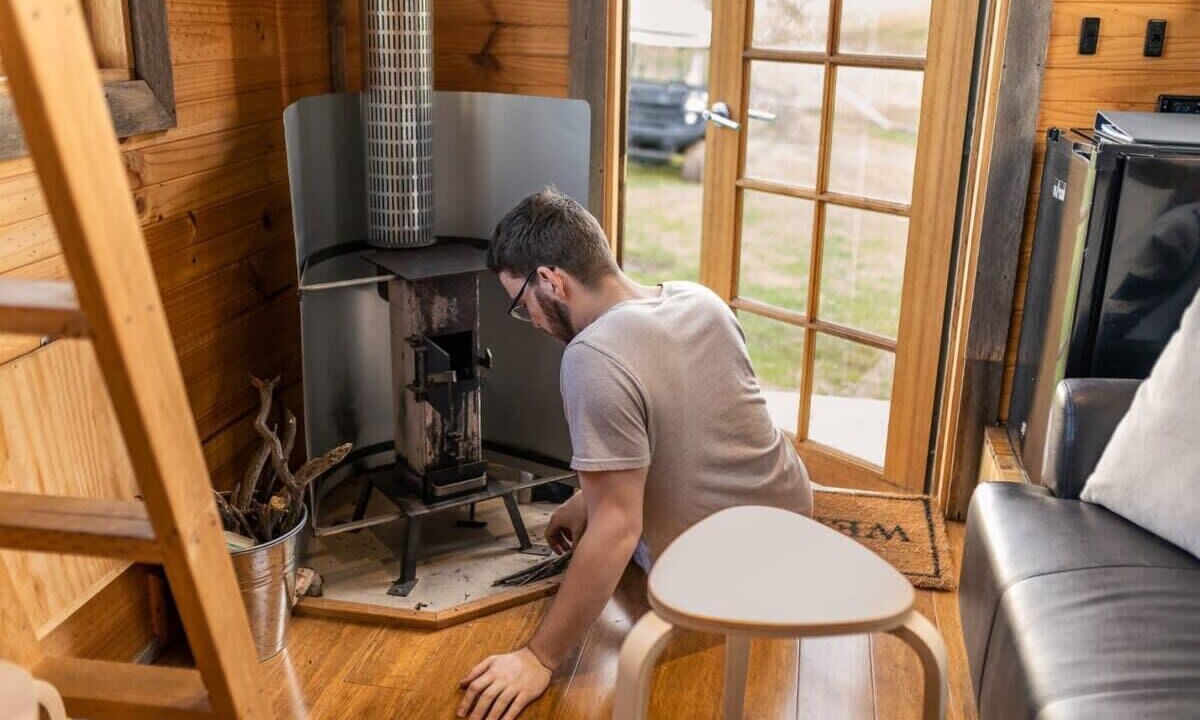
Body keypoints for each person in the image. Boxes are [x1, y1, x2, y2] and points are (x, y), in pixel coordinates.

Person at [456, 188, 813, 720]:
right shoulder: (699, 299)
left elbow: (618, 527)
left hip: (721, 575)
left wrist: (538, 657)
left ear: (552, 280)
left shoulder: (592, 355)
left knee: (610, 530)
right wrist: (584, 498)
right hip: (795, 528)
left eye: (520, 302)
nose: (529, 319)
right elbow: (690, 432)